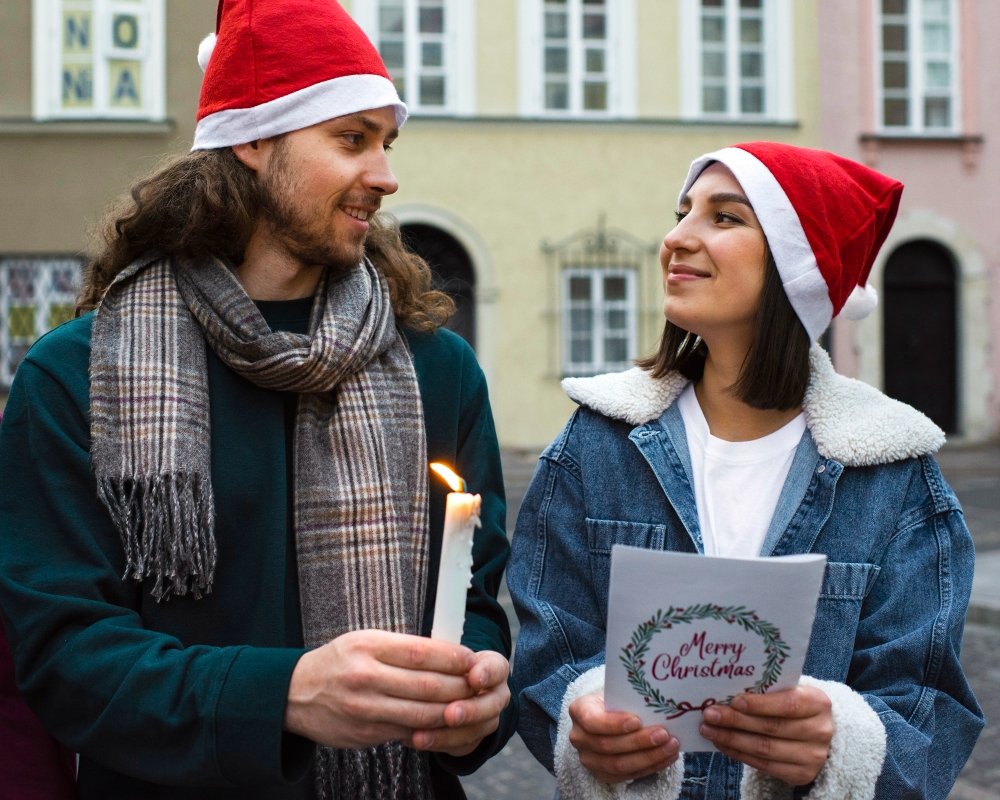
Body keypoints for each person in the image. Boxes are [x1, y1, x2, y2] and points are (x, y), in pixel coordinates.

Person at [0, 1, 514, 797]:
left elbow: (476, 600)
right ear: (251, 138)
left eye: (386, 143)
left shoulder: (437, 370)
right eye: (351, 139)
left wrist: (478, 689)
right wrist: (282, 697)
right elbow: (63, 659)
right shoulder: (74, 376)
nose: (385, 175)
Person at [507, 141, 984, 799]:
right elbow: (547, 658)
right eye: (683, 212)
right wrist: (585, 718)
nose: (676, 237)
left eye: (724, 217)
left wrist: (840, 741)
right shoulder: (596, 442)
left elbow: (927, 707)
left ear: (798, 267)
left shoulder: (893, 476)